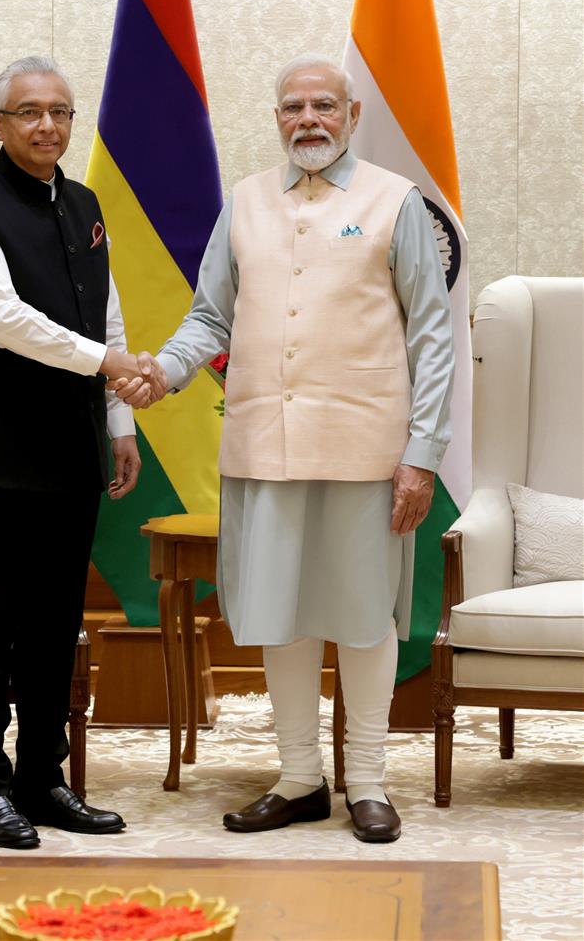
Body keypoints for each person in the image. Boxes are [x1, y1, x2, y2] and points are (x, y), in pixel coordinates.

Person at [116, 54, 454, 843]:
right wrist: (161, 373)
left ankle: (367, 779)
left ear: (352, 114)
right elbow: (210, 317)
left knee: (366, 618)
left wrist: (424, 453)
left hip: (369, 451)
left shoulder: (395, 202)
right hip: (264, 448)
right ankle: (300, 777)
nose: (309, 119)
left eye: (324, 105)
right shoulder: (244, 203)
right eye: (293, 106)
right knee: (282, 616)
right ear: (276, 117)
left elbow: (433, 337)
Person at [0, 55, 164, 849]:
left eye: (60, 112)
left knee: (56, 625)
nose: (46, 126)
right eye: (28, 112)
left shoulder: (85, 201)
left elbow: (110, 313)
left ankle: (43, 777)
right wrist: (106, 365)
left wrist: (120, 424)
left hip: (72, 452)